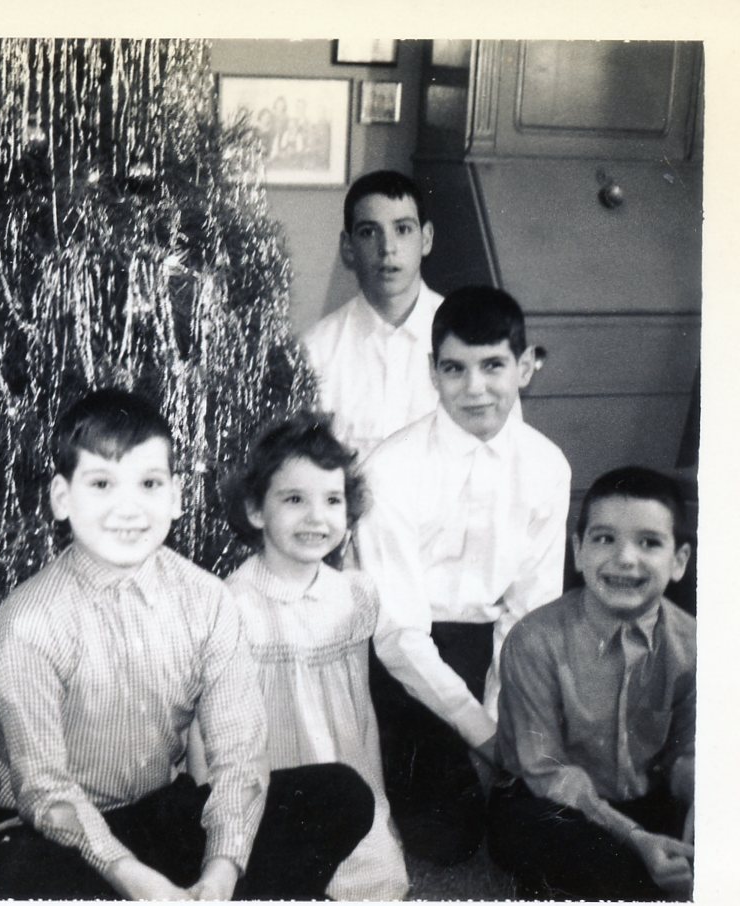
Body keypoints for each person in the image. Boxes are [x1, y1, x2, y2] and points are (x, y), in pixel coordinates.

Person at [0, 388, 374, 901]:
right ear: (62, 498)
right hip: (52, 830)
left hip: (157, 813)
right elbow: (45, 790)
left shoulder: (207, 599)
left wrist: (222, 870)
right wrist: (137, 881)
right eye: (102, 484)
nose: (128, 508)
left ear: (176, 496)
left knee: (341, 794)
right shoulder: (27, 621)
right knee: (11, 876)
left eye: (149, 484)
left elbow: (239, 756)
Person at [356, 286, 571, 865]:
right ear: (433, 371)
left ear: (525, 368)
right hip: (402, 654)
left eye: (493, 366)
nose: (475, 389)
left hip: (494, 645)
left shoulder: (547, 466)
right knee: (445, 839)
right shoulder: (390, 468)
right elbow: (398, 635)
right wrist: (482, 733)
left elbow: (529, 615)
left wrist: (503, 717)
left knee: (540, 817)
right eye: (455, 369)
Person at [221, 411, 409, 900]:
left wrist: (380, 806)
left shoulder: (354, 596)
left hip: (346, 780)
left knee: (377, 879)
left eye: (332, 500)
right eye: (294, 499)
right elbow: (212, 731)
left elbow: (360, 713)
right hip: (269, 790)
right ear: (256, 510)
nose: (316, 517)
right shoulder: (232, 606)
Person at [488, 466, 695, 900]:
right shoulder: (534, 640)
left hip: (644, 796)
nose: (625, 558)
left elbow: (687, 753)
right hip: (550, 799)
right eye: (604, 539)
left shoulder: (694, 644)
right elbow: (546, 771)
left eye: (649, 543)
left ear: (678, 561)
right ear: (578, 551)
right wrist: (634, 838)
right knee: (603, 869)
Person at [302, 169, 442, 461]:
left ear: (426, 238)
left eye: (403, 229)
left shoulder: (470, 338)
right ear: (348, 247)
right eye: (369, 232)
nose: (387, 248)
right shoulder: (315, 352)